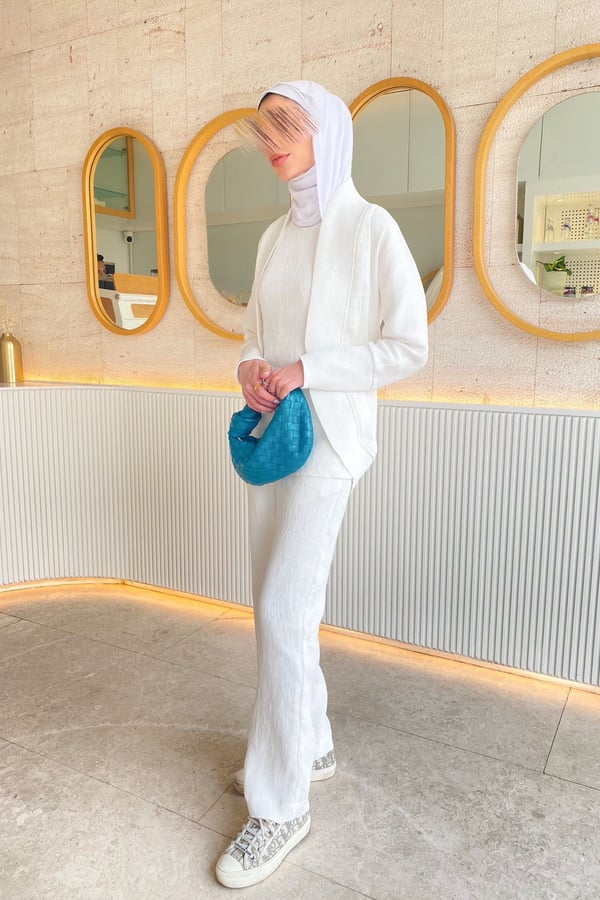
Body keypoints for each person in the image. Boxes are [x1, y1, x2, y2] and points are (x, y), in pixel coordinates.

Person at [215, 80, 429, 890]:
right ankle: (310, 744)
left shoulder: (370, 228)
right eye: (266, 130)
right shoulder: (274, 236)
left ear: (327, 134)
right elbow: (252, 335)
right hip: (276, 438)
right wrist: (251, 369)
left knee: (283, 609)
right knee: (278, 601)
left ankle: (280, 807)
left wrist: (310, 369)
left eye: (288, 129)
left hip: (331, 441)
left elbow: (407, 346)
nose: (274, 144)